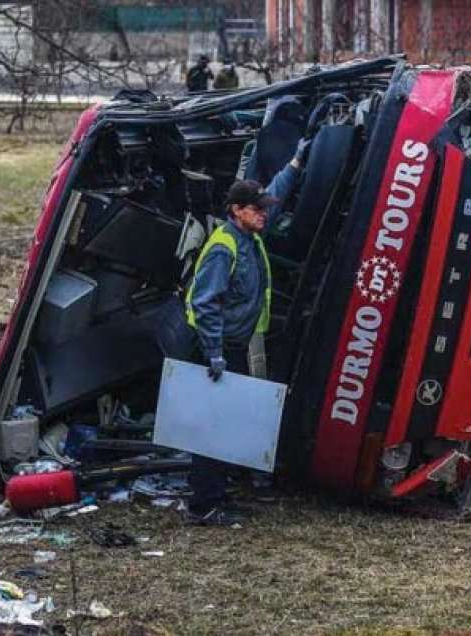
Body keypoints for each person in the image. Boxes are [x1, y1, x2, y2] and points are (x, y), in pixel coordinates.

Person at [156, 137, 311, 525]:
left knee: (226, 421)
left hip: (234, 345)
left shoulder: (248, 235)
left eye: (263, 210)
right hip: (214, 347)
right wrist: (214, 355)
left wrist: (294, 162)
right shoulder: (225, 247)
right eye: (257, 210)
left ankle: (218, 496)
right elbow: (205, 304)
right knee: (211, 425)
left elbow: (273, 194)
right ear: (237, 210)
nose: (264, 214)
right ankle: (203, 505)